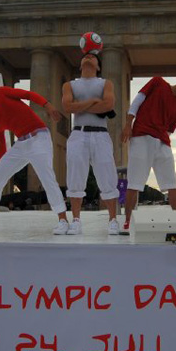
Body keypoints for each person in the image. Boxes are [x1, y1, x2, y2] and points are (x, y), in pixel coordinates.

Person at [0, 83, 70, 235]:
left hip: (39, 137)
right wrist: (0, 171)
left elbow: (27, 95)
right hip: (21, 144)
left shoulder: (0, 93)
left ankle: (63, 220)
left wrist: (47, 105)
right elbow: (1, 151)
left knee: (47, 177)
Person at [120, 75, 176, 234]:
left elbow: (169, 131)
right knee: (134, 183)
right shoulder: (158, 81)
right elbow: (138, 100)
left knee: (172, 184)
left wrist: (158, 140)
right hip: (141, 138)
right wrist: (128, 124)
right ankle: (127, 222)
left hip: (162, 143)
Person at [62, 53, 120, 235]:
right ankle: (76, 220)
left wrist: (80, 104)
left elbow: (109, 105)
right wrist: (95, 101)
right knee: (75, 176)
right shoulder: (69, 84)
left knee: (107, 175)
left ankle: (112, 220)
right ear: (80, 65)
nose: (88, 58)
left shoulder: (105, 83)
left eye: (92, 57)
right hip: (79, 133)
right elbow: (67, 108)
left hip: (100, 134)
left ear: (98, 66)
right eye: (85, 56)